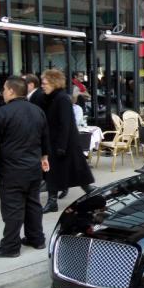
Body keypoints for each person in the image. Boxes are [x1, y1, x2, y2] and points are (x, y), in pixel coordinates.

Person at [0, 76, 50, 258]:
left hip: (12, 170)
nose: (2, 92)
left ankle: (10, 247)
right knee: (33, 204)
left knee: (12, 208)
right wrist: (44, 157)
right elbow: (45, 137)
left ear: (11, 91)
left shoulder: (1, 113)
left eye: (4, 89)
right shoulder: (37, 111)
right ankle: (37, 239)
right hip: (33, 168)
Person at [41, 70, 95, 212]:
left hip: (65, 144)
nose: (43, 85)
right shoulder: (52, 97)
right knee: (55, 173)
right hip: (57, 143)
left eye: (45, 83)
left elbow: (66, 124)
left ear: (54, 83)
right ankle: (52, 202)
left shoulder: (62, 98)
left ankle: (94, 194)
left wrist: (61, 146)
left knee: (78, 174)